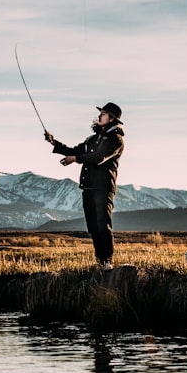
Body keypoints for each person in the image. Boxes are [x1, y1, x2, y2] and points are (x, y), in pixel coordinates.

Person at [44, 103, 125, 271]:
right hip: (88, 188)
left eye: (103, 114)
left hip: (103, 188)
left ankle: (107, 262)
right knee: (93, 226)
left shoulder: (116, 140)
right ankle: (100, 262)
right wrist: (54, 143)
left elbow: (98, 157)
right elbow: (74, 150)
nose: (99, 116)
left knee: (103, 225)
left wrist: (75, 159)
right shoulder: (92, 139)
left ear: (111, 119)